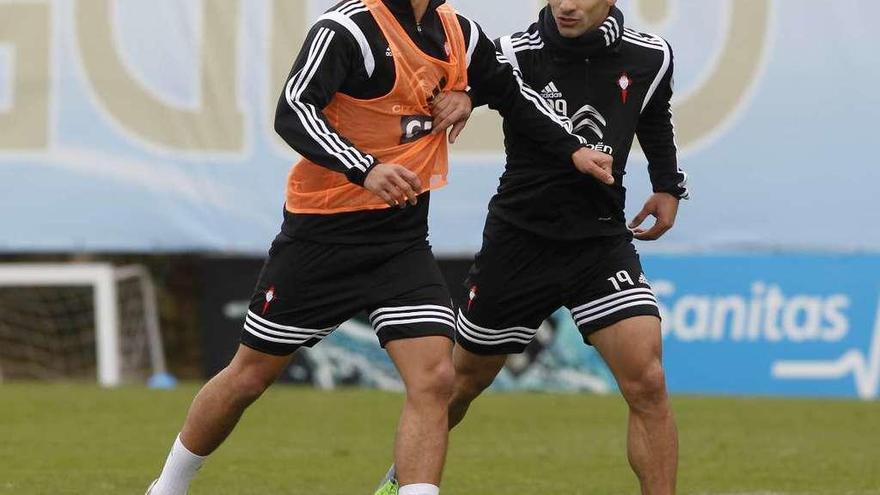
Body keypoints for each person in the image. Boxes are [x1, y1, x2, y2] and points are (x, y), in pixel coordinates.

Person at [145, 0, 614, 494]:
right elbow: (294, 110)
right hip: (322, 239)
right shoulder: (347, 28)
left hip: (401, 243)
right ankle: (168, 487)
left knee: (434, 380)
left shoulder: (458, 32)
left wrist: (566, 144)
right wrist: (365, 167)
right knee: (249, 376)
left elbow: (513, 92)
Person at [376, 0, 688, 494]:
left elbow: (654, 117)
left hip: (599, 241)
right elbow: (468, 84)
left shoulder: (651, 56)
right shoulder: (513, 54)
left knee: (647, 381)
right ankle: (401, 480)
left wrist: (668, 185)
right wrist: (463, 93)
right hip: (519, 244)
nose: (565, 5)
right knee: (460, 386)